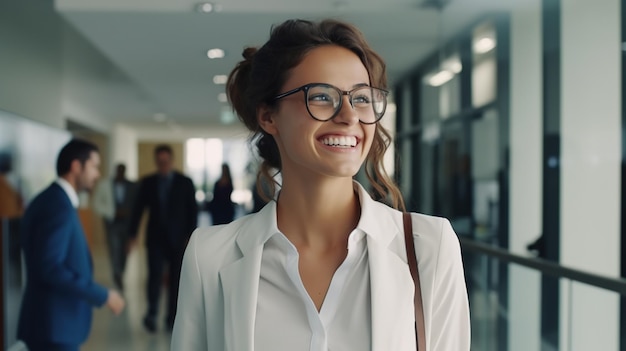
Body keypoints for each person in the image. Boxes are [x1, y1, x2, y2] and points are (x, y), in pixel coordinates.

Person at [171, 19, 470, 350]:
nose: (350, 116)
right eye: (322, 96)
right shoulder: (211, 257)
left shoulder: (429, 247)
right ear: (268, 116)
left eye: (361, 98)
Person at [17, 139, 125, 351]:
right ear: (77, 166)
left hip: (52, 324)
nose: (97, 174)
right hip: (55, 327)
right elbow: (51, 267)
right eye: (94, 166)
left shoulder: (51, 200)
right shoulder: (58, 206)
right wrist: (104, 295)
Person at [128, 144, 198, 332]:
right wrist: (133, 234)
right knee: (154, 277)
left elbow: (193, 211)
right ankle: (151, 314)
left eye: (166, 161)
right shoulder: (148, 182)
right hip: (155, 239)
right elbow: (138, 210)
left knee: (176, 280)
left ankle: (172, 318)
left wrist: (191, 236)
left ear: (172, 161)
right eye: (160, 162)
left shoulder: (185, 182)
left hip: (179, 240)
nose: (163, 165)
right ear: (156, 162)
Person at [93, 163, 137, 290]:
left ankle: (120, 271)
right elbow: (97, 204)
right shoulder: (105, 185)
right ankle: (117, 274)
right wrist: (112, 213)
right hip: (112, 223)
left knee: (124, 251)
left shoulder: (132, 186)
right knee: (114, 249)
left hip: (127, 224)